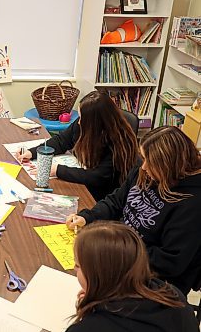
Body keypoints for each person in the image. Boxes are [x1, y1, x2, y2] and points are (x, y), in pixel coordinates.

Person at [67, 126, 201, 295]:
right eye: (143, 158)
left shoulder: (192, 203)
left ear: (168, 166)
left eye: (150, 162)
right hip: (121, 253)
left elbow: (169, 262)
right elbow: (116, 201)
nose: (143, 167)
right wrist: (87, 217)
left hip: (151, 279)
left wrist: (118, 251)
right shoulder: (147, 172)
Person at [67, 222, 198, 332]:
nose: (74, 268)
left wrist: (88, 312)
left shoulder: (87, 328)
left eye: (78, 265)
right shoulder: (173, 295)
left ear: (98, 276)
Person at [17, 91, 139, 201]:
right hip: (83, 175)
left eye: (82, 118)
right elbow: (62, 141)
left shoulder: (116, 141)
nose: (79, 122)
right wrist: (32, 152)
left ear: (95, 122)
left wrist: (58, 170)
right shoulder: (85, 123)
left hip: (101, 194)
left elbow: (97, 177)